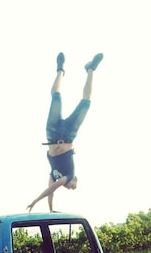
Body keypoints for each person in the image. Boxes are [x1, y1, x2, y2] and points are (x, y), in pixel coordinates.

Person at [27, 51, 103, 213]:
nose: (71, 189)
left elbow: (51, 191)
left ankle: (60, 69)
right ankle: (90, 70)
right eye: (74, 187)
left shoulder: (54, 175)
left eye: (71, 189)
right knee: (86, 103)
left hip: (53, 134)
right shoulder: (68, 175)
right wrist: (36, 200)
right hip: (69, 134)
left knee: (56, 98)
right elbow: (54, 187)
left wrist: (51, 209)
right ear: (75, 180)